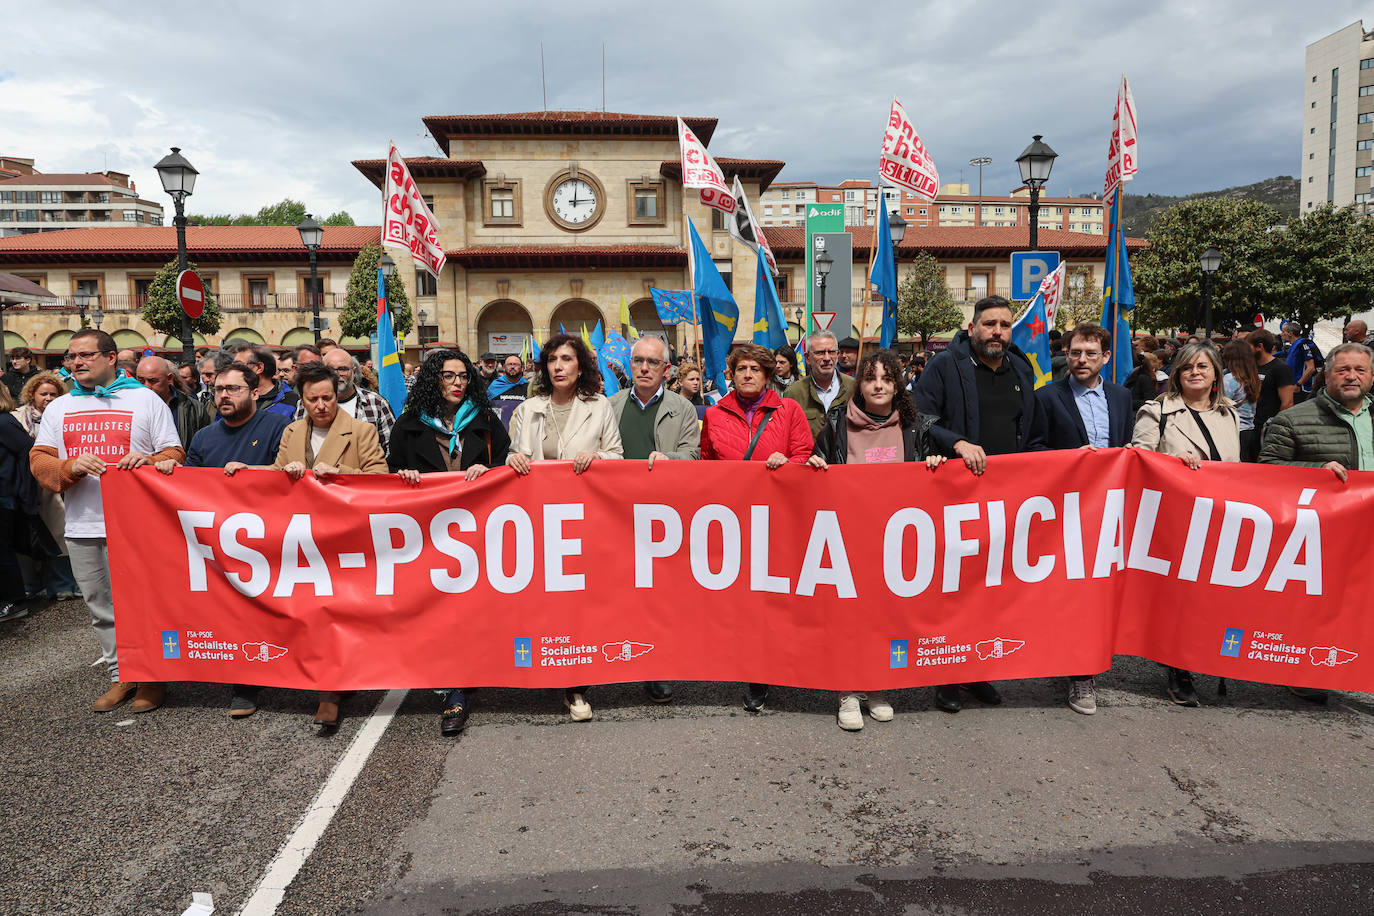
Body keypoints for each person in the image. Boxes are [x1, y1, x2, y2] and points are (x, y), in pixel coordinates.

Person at [29, 329, 183, 713]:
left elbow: (174, 453)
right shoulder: (60, 407)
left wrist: (145, 461)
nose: (76, 362)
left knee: (143, 603)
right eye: (71, 356)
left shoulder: (145, 400)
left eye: (85, 355)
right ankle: (121, 675)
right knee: (100, 606)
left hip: (137, 526)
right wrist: (70, 466)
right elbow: (40, 461)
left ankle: (151, 677)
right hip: (83, 524)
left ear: (111, 358)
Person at [913, 294, 1047, 714]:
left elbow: (1034, 430)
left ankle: (976, 671)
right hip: (957, 497)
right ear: (972, 329)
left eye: (1004, 325)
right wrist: (957, 442)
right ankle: (947, 678)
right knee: (955, 589)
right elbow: (920, 417)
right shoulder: (944, 366)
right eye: (989, 324)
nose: (997, 332)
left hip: (1006, 502)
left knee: (992, 590)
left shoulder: (1021, 368)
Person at [807, 348, 944, 730]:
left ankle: (878, 686)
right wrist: (815, 465)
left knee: (887, 619)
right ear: (859, 385)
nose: (879, 385)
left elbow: (933, 482)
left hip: (895, 543)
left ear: (898, 384)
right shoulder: (837, 423)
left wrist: (934, 465)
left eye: (887, 378)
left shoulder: (916, 427)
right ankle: (848, 691)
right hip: (849, 541)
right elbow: (815, 469)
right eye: (871, 378)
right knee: (849, 619)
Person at [153, 362, 292, 718]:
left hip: (274, 536)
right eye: (219, 390)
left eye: (234, 389)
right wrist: (170, 474)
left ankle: (292, 669)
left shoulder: (279, 426)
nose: (224, 396)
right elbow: (192, 490)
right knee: (231, 612)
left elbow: (289, 473)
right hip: (221, 541)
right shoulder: (203, 437)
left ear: (255, 392)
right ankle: (244, 681)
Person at [389, 349, 510, 736]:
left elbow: (509, 464)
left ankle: (466, 680)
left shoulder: (486, 420)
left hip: (478, 532)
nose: (457, 382)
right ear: (431, 379)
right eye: (448, 375)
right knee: (440, 610)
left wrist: (489, 470)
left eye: (463, 376)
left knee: (473, 608)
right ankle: (452, 684)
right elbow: (389, 472)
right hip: (429, 537)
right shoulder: (408, 424)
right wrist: (401, 475)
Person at [507, 334, 623, 722]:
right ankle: (540, 668)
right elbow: (514, 454)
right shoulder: (528, 408)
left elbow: (617, 455)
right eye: (552, 360)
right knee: (543, 600)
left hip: (583, 520)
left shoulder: (599, 406)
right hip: (538, 520)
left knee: (577, 602)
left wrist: (598, 456)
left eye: (567, 359)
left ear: (581, 367)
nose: (558, 366)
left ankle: (576, 684)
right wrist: (516, 461)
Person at [269, 361, 387, 730]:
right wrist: (253, 472)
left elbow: (380, 479)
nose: (321, 405)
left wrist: (340, 476)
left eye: (327, 397)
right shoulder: (292, 431)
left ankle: (337, 686)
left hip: (347, 537)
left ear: (338, 396)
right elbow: (273, 479)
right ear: (301, 400)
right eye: (313, 399)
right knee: (314, 613)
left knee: (342, 613)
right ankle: (329, 690)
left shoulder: (362, 431)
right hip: (304, 537)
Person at [700, 343, 812, 713]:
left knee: (777, 597)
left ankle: (789, 662)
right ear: (731, 374)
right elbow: (705, 465)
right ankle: (756, 675)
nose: (748, 375)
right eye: (741, 369)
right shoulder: (715, 415)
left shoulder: (789, 410)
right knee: (747, 602)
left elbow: (804, 454)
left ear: (768, 376)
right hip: (734, 522)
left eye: (756, 369)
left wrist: (789, 462)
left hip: (778, 518)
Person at [1132, 342, 1240, 708]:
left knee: (1211, 594)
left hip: (1219, 517)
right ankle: (1178, 667)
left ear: (1216, 375)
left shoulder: (1230, 415)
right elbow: (1138, 459)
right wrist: (1171, 462)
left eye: (1203, 367)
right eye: (1187, 366)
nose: (1195, 372)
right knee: (1181, 595)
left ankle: (1205, 654)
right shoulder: (1157, 411)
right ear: (1176, 373)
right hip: (1175, 517)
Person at [1033, 323, 1132, 716]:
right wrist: (1072, 458)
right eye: (1076, 352)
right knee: (1074, 592)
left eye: (1091, 353)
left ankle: (1082, 666)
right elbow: (1035, 449)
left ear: (1106, 357)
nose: (1082, 360)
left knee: (1102, 591)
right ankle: (1078, 672)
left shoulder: (1122, 397)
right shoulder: (1048, 397)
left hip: (1112, 510)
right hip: (1067, 511)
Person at [608, 336, 701, 705]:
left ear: (667, 369)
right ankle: (614, 658)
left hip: (663, 518)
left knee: (658, 597)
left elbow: (693, 457)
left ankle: (657, 668)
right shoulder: (609, 406)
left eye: (652, 362)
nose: (644, 368)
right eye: (638, 361)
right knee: (617, 594)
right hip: (614, 514)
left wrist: (669, 461)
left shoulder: (684, 409)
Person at [15, 373, 77, 602]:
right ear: (32, 394)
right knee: (28, 537)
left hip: (57, 486)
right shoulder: (18, 418)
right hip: (29, 488)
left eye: (53, 394)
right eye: (43, 394)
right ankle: (31, 584)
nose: (48, 398)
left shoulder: (65, 415)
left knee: (58, 537)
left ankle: (62, 585)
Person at [294, 348, 396, 455]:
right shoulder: (304, 404)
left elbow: (392, 448)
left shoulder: (376, 402)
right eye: (330, 369)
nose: (336, 375)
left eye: (342, 369)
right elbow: (296, 444)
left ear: (354, 372)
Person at [784, 330, 856, 439]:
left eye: (831, 352)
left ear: (837, 355)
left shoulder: (854, 388)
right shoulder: (794, 393)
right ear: (808, 358)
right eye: (820, 353)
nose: (827, 358)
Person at [136, 356, 210, 452]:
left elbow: (204, 448)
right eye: (141, 380)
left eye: (153, 381)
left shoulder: (194, 408)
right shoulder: (130, 405)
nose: (146, 386)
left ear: (169, 378)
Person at [1247, 329, 1296, 445]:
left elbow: (1288, 403)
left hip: (1268, 430)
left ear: (1260, 346)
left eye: (1248, 347)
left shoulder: (1281, 368)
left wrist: (1276, 429)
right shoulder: (1252, 367)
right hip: (1252, 427)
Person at [229, 344, 298, 420]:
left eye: (238, 365)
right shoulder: (230, 396)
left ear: (259, 368)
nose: (233, 370)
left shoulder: (292, 401)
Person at [1221, 340, 1262, 462]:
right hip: (1249, 430)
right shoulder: (1254, 378)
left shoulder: (1229, 379)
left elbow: (1220, 406)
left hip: (1233, 431)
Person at [1281, 322, 1322, 401]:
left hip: (1301, 390)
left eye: (1283, 332)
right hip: (1293, 387)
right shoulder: (1293, 346)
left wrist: (1299, 385)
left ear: (1290, 333)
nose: (1281, 334)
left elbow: (1311, 368)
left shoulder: (1302, 344)